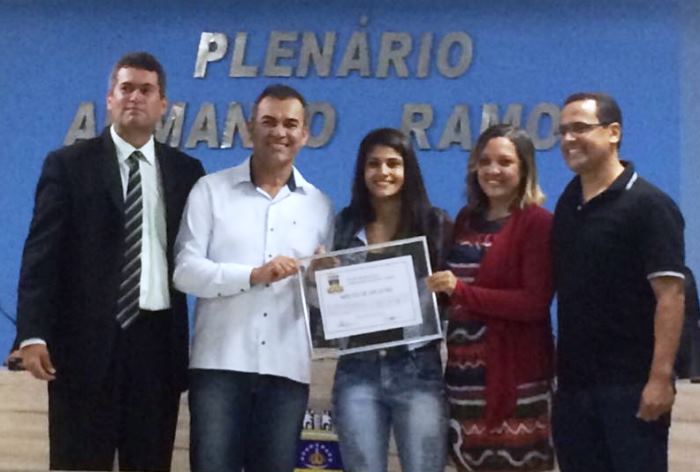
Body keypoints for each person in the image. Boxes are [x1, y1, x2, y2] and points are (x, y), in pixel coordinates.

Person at [16, 52, 205, 471]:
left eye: (146, 90)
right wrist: (32, 333)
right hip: (83, 347)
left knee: (149, 463)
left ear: (163, 104)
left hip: (157, 347)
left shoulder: (187, 171)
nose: (135, 97)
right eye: (126, 88)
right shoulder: (69, 165)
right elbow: (41, 256)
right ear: (109, 99)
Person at [173, 84, 334, 472]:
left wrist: (323, 284)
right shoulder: (210, 190)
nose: (280, 132)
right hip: (219, 367)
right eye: (269, 121)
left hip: (286, 370)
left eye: (290, 124)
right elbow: (185, 272)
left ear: (305, 134)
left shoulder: (319, 205)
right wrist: (253, 275)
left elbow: (321, 303)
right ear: (250, 129)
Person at [551, 92, 685, 472]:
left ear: (613, 133)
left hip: (630, 387)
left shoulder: (650, 205)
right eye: (563, 131)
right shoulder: (568, 202)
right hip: (574, 388)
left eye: (580, 128)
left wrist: (660, 379)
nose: (568, 139)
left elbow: (671, 297)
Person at [427, 124, 555, 472]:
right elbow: (453, 298)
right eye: (484, 161)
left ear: (524, 168)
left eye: (505, 162)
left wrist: (461, 291)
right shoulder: (466, 219)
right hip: (463, 379)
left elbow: (533, 303)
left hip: (515, 381)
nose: (493, 170)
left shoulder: (538, 223)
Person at [331, 127, 451, 472]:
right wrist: (320, 279)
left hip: (417, 368)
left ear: (408, 170)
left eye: (393, 163)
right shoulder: (345, 224)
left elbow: (455, 300)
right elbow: (330, 301)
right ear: (362, 170)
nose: (383, 172)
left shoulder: (435, 223)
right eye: (373, 164)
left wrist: (446, 288)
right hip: (356, 369)